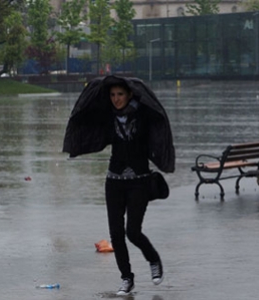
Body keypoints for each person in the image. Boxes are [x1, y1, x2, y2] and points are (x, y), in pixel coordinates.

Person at [62, 76, 175, 296]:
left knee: (132, 231)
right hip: (114, 182)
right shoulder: (107, 115)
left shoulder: (143, 115)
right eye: (112, 95)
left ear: (130, 94)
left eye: (120, 94)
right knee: (116, 234)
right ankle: (126, 278)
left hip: (139, 182)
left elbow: (158, 115)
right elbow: (87, 107)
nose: (116, 99)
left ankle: (153, 259)